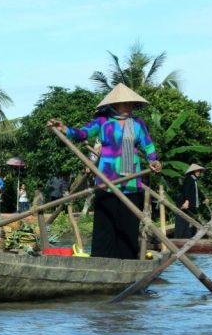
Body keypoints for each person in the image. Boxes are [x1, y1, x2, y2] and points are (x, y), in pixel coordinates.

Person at [48, 82, 162, 259]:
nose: (129, 107)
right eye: (125, 103)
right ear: (114, 104)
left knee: (128, 227)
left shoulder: (137, 123)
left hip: (131, 183)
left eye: (131, 103)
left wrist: (153, 161)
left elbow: (148, 145)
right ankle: (102, 262)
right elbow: (82, 133)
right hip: (106, 181)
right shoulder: (103, 121)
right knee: (105, 226)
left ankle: (127, 264)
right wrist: (64, 129)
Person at [174, 164, 208, 238]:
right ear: (193, 171)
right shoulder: (189, 179)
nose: (199, 172)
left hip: (187, 205)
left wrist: (204, 198)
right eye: (198, 171)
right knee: (181, 223)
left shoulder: (193, 180)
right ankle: (178, 240)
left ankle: (186, 239)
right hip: (183, 204)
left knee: (186, 223)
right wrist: (186, 201)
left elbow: (197, 191)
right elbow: (186, 190)